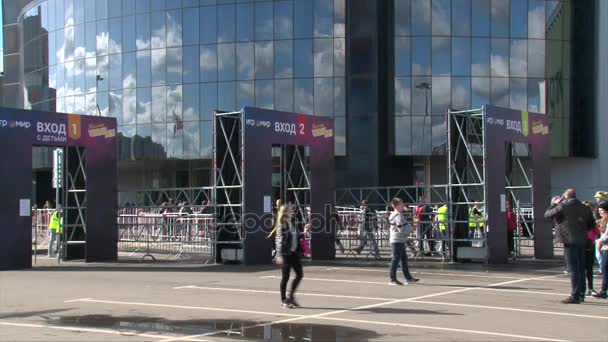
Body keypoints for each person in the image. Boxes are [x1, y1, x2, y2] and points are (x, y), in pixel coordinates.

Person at [544, 189, 596, 304]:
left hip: (569, 240)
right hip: (581, 240)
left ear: (565, 196)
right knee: (581, 267)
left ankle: (575, 295)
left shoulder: (563, 206)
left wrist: (554, 204)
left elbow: (547, 215)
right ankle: (581, 293)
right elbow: (592, 224)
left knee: (573, 269)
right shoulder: (584, 207)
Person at [269, 205, 304, 309]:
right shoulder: (282, 225)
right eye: (290, 211)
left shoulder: (290, 223)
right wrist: (279, 255)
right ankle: (283, 300)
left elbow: (294, 237)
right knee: (286, 277)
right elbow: (279, 241)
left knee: (299, 274)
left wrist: (302, 233)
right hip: (285, 254)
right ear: (285, 213)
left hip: (293, 253)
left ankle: (291, 296)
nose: (292, 212)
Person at [387, 197, 419, 285]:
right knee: (396, 259)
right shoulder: (398, 215)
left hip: (399, 239)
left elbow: (402, 226)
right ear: (396, 206)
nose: (403, 205)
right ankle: (392, 279)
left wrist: (411, 227)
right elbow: (401, 228)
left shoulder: (396, 214)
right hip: (397, 240)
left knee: (403, 259)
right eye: (401, 204)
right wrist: (412, 228)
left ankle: (408, 278)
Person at [592, 201, 608, 299]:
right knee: (605, 269)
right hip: (604, 247)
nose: (600, 212)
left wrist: (599, 241)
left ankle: (603, 291)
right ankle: (603, 290)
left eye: (602, 210)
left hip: (605, 246)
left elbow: (606, 235)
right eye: (599, 210)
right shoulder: (603, 219)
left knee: (605, 269)